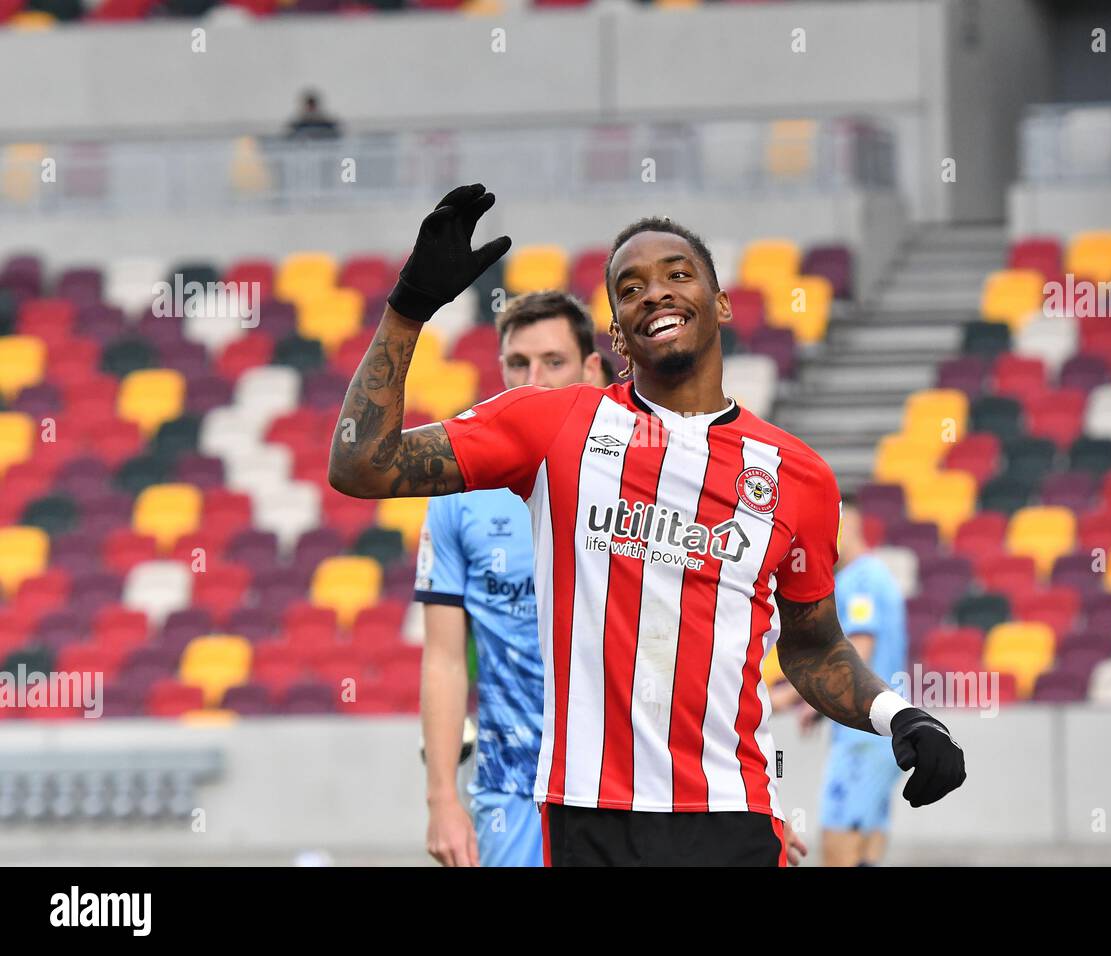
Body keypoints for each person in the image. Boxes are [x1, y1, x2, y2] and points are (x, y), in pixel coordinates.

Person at [328, 183, 965, 866]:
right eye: (629, 289)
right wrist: (409, 308)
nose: (654, 293)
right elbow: (362, 463)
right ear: (617, 337)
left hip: (734, 818)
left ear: (719, 305)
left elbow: (812, 648)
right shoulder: (554, 425)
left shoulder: (797, 476)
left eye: (678, 275)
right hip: (589, 818)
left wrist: (900, 715)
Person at [416, 291, 604, 868]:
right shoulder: (459, 495)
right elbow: (445, 660)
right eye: (518, 364)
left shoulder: (645, 476)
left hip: (624, 786)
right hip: (511, 787)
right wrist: (442, 799)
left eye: (554, 362)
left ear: (592, 370)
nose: (534, 380)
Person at [771, 504, 909, 866]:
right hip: (885, 729)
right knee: (867, 841)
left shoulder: (859, 580)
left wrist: (784, 698)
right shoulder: (877, 576)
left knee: (837, 842)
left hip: (862, 737)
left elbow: (858, 654)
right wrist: (817, 711)